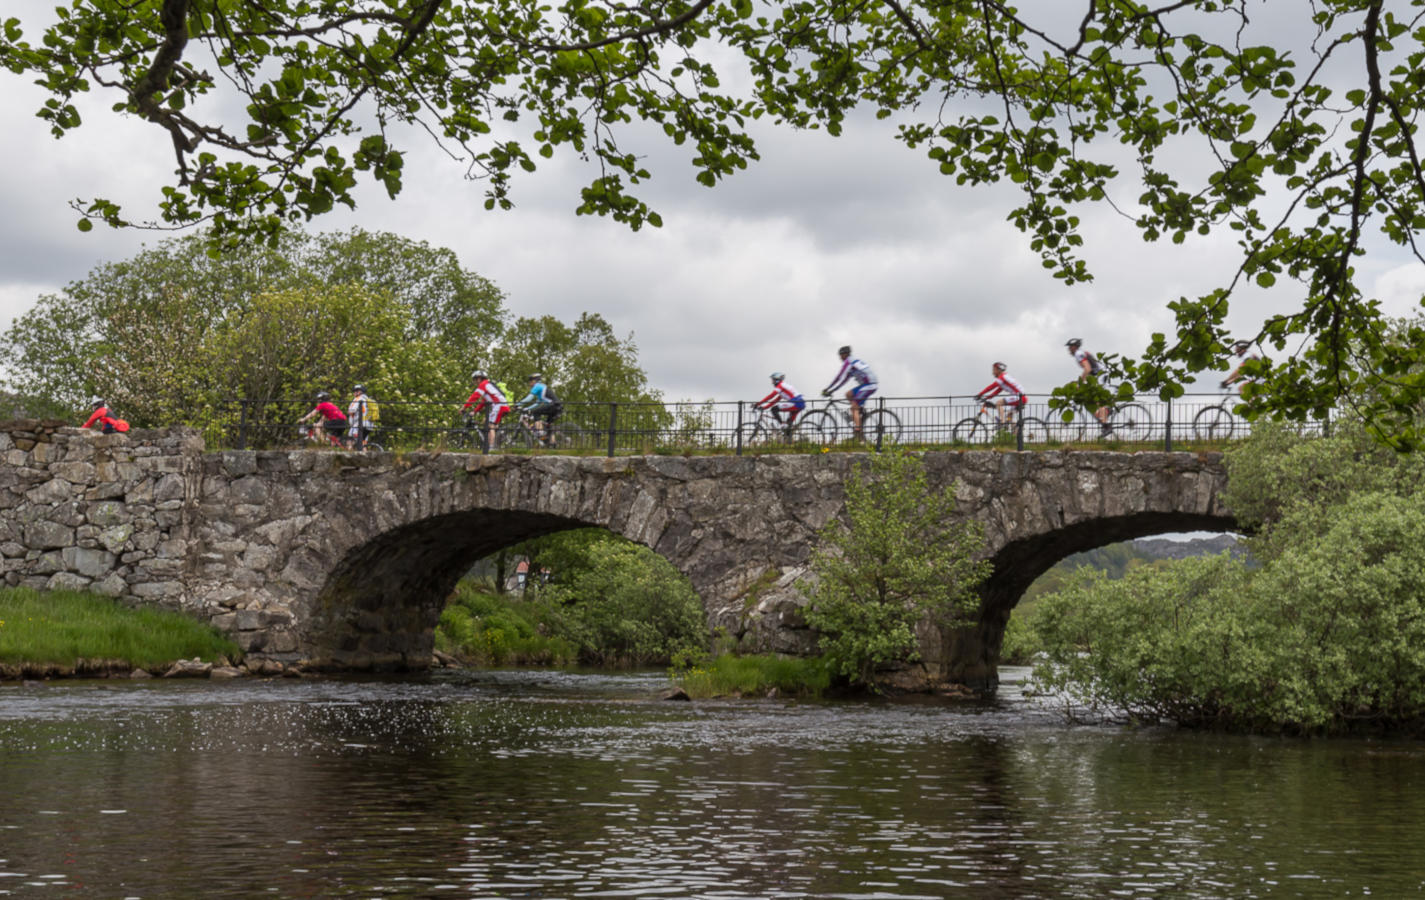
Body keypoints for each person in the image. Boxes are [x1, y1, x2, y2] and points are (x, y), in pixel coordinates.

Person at [821, 345, 878, 439]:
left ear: (845, 354)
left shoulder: (849, 362)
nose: (840, 357)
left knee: (853, 408)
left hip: (870, 385)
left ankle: (858, 432)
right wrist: (833, 390)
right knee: (848, 394)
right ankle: (859, 413)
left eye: (841, 355)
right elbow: (843, 381)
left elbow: (839, 377)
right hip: (866, 385)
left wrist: (828, 389)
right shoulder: (852, 364)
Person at [1066, 338, 1112, 436]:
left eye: (1070, 347)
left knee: (1099, 399)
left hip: (1100, 374)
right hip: (1096, 375)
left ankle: (1106, 426)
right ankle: (1104, 413)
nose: (1069, 349)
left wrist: (1080, 383)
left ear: (1074, 347)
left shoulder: (1078, 354)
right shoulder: (1079, 353)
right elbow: (1089, 371)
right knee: (1088, 399)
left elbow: (1087, 369)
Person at [462, 370, 510, 450]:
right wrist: (474, 411)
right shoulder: (488, 386)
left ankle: (490, 449)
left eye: (475, 379)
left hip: (499, 405)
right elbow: (483, 402)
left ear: (479, 379)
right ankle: (498, 439)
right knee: (485, 422)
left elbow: (474, 397)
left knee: (490, 426)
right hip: (501, 405)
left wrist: (464, 407)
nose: (475, 382)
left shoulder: (483, 385)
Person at [512, 373, 562, 445]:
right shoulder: (542, 388)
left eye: (530, 381)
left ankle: (540, 432)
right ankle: (552, 444)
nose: (529, 383)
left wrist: (517, 405)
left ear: (534, 381)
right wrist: (527, 408)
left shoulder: (537, 386)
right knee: (548, 425)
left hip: (552, 405)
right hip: (557, 406)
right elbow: (537, 403)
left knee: (536, 412)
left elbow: (529, 398)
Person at [974, 362, 1027, 429]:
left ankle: (1002, 422)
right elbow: (997, 391)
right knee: (1010, 419)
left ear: (998, 370)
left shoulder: (1002, 377)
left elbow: (991, 387)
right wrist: (987, 397)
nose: (992, 373)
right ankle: (1017, 434)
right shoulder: (1005, 377)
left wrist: (980, 394)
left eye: (994, 370)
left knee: (998, 403)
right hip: (1020, 397)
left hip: (1019, 397)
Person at [346, 384, 376, 450]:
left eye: (355, 391)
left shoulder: (358, 399)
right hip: (368, 425)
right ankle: (365, 457)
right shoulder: (368, 399)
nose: (354, 393)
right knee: (363, 443)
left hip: (358, 425)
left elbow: (352, 410)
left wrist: (348, 411)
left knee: (350, 441)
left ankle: (349, 455)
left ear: (359, 392)